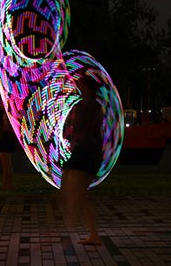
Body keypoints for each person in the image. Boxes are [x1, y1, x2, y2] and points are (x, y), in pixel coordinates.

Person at [61, 76, 104, 245]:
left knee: (76, 190)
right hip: (86, 152)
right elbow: (73, 128)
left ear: (87, 88)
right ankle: (91, 233)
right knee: (76, 189)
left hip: (86, 152)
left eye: (81, 85)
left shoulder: (89, 107)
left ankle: (72, 215)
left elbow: (81, 128)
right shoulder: (88, 106)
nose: (78, 87)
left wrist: (72, 134)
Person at [0, 110, 16, 190]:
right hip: (4, 140)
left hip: (5, 140)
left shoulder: (7, 115)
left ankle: (7, 184)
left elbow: (6, 129)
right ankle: (8, 183)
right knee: (7, 164)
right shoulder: (4, 115)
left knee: (6, 164)